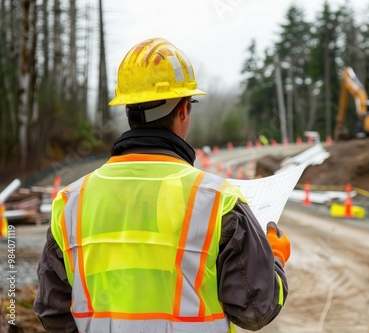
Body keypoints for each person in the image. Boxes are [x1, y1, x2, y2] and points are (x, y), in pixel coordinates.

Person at [34, 38, 290, 333]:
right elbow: (256, 309)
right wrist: (276, 256)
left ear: (128, 110)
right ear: (183, 110)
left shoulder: (70, 201)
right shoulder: (218, 200)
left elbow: (52, 312)